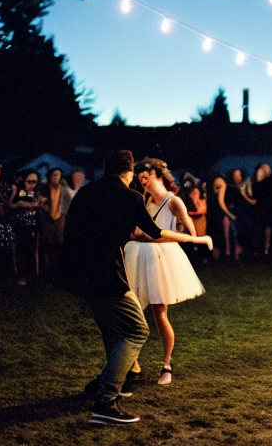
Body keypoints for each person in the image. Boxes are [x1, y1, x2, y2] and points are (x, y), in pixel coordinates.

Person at [56, 150, 201, 425]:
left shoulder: (86, 193)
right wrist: (191, 238)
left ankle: (105, 382)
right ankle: (106, 400)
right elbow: (153, 232)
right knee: (137, 329)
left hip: (77, 275)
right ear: (129, 173)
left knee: (112, 331)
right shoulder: (129, 197)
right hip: (105, 274)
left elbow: (70, 230)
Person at [124, 158, 212, 386]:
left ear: (158, 175)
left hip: (160, 258)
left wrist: (176, 232)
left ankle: (166, 365)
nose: (143, 181)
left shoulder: (173, 202)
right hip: (138, 256)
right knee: (134, 310)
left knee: (159, 313)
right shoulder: (144, 200)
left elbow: (191, 234)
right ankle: (132, 364)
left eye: (146, 177)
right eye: (140, 178)